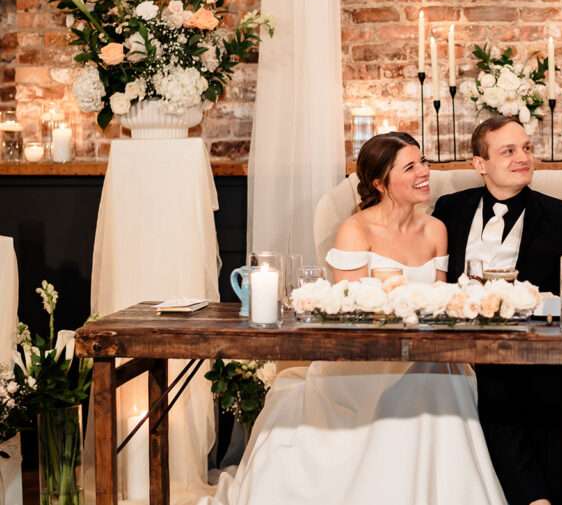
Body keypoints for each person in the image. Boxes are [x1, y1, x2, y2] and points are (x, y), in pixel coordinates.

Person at [201, 132, 507, 505]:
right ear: (380, 183)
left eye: (423, 162)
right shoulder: (355, 230)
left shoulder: (436, 230)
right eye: (410, 167)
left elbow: (440, 308)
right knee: (426, 385)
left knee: (442, 379)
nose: (424, 172)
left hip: (426, 355)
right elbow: (350, 317)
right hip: (362, 362)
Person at [433, 116, 562, 505]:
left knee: (540, 399)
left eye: (527, 148)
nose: (523, 158)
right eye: (508, 151)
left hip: (539, 352)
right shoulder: (449, 209)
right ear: (479, 164)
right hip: (463, 350)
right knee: (495, 386)